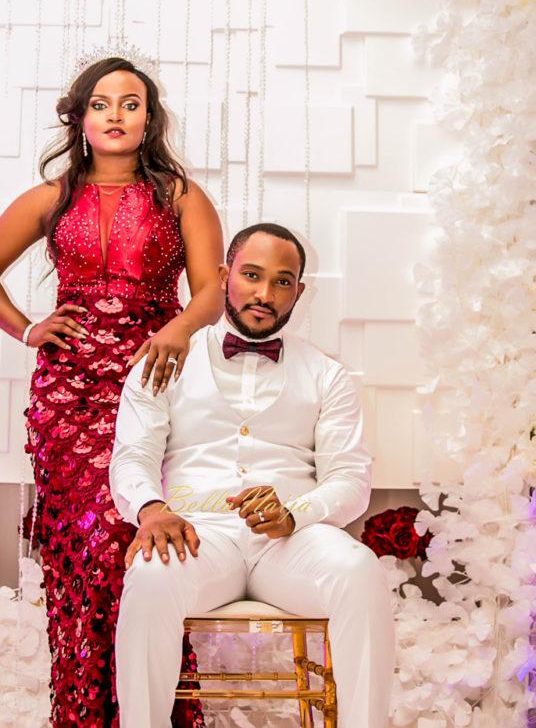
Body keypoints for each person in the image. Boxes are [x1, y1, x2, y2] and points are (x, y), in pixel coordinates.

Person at [0, 52, 223, 727]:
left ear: (149, 120)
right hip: (67, 399)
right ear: (79, 118)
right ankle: (83, 711)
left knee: (136, 544)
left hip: (149, 384)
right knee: (83, 551)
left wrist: (176, 329)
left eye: (131, 105)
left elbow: (212, 292)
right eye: (101, 104)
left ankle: (151, 710)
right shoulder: (51, 198)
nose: (115, 116)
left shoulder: (180, 196)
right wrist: (28, 328)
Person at [109, 223, 396, 728]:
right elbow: (132, 455)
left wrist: (294, 514)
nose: (265, 294)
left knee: (360, 571)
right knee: (150, 576)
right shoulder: (167, 360)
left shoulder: (327, 374)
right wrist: (151, 509)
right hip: (199, 535)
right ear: (225, 276)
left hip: (291, 543)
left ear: (299, 292)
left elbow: (350, 479)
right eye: (252, 275)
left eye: (282, 282)